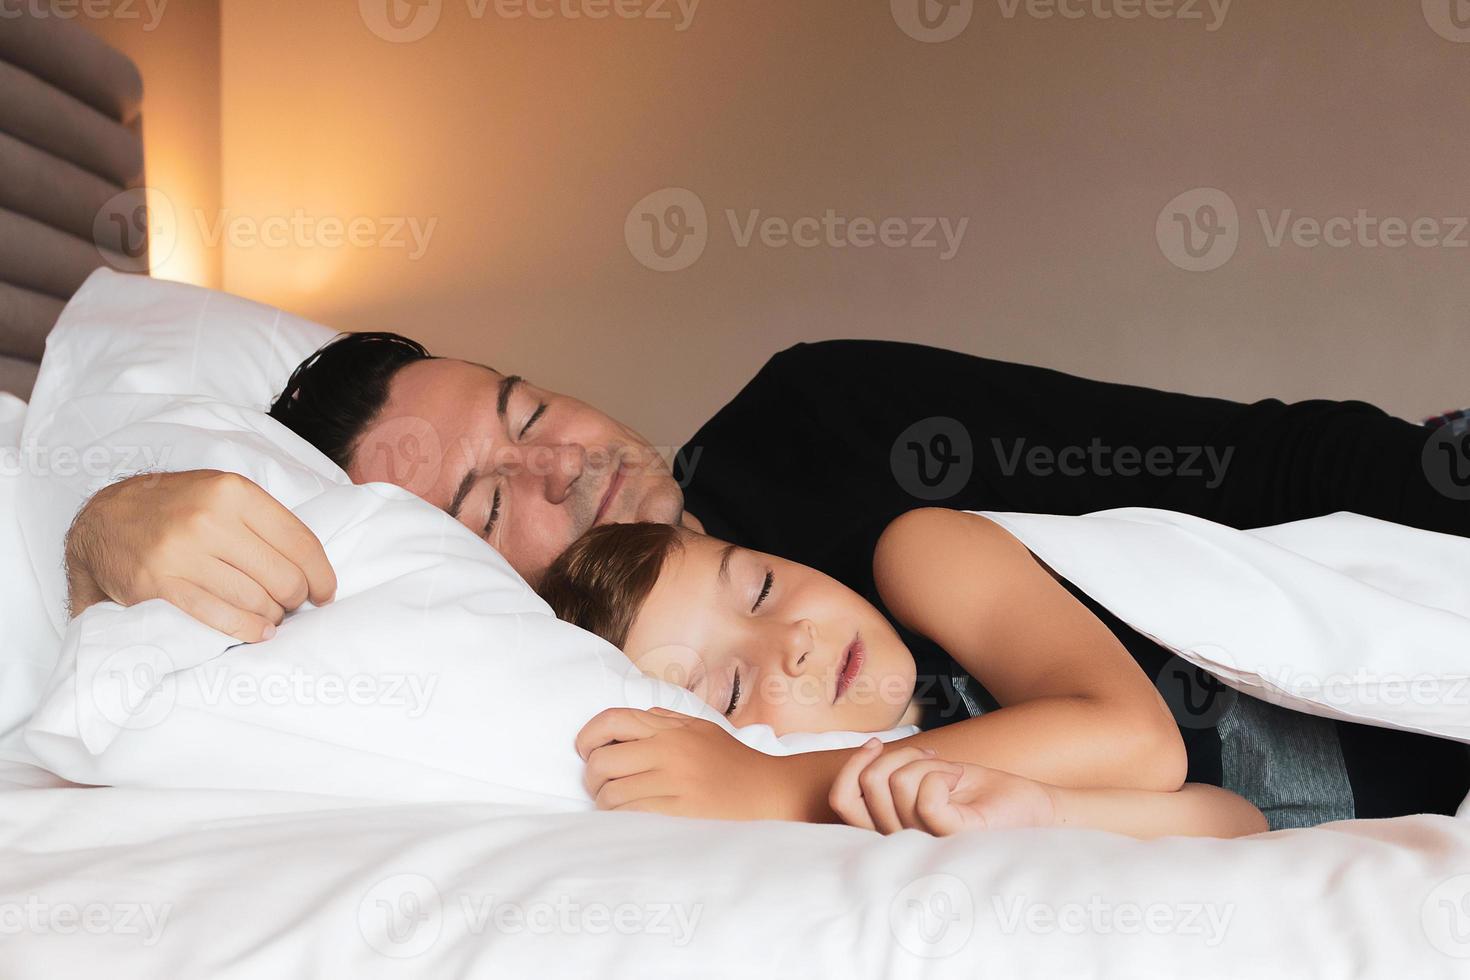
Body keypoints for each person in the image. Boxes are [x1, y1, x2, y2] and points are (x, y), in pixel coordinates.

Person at [60, 333, 1470, 820]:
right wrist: (110, 526)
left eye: (532, 412)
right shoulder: (588, 700)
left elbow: (1260, 467)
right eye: (492, 502)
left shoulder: (817, 422)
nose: (570, 471)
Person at [536, 512, 1468, 835]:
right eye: (733, 689)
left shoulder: (925, 557)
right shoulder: (893, 798)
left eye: (763, 586)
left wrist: (773, 786)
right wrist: (1047, 815)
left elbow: (1138, 742)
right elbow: (1231, 821)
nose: (793, 641)